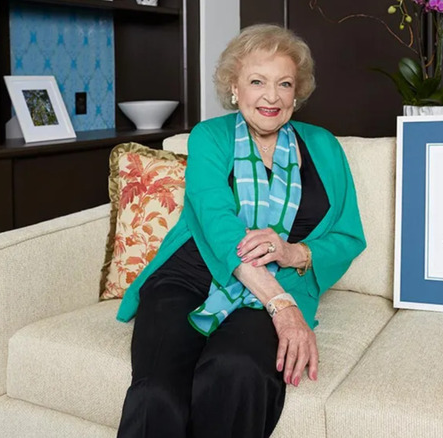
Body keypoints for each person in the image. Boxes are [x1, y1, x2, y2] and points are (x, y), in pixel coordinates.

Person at [115, 24, 366, 438]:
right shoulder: (210, 137)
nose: (272, 96)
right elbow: (218, 225)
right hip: (191, 274)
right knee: (156, 393)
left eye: (284, 84)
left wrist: (293, 253)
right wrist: (282, 307)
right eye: (257, 81)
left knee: (237, 372)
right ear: (234, 87)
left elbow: (347, 234)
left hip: (281, 277)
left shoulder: (323, 146)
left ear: (296, 93)